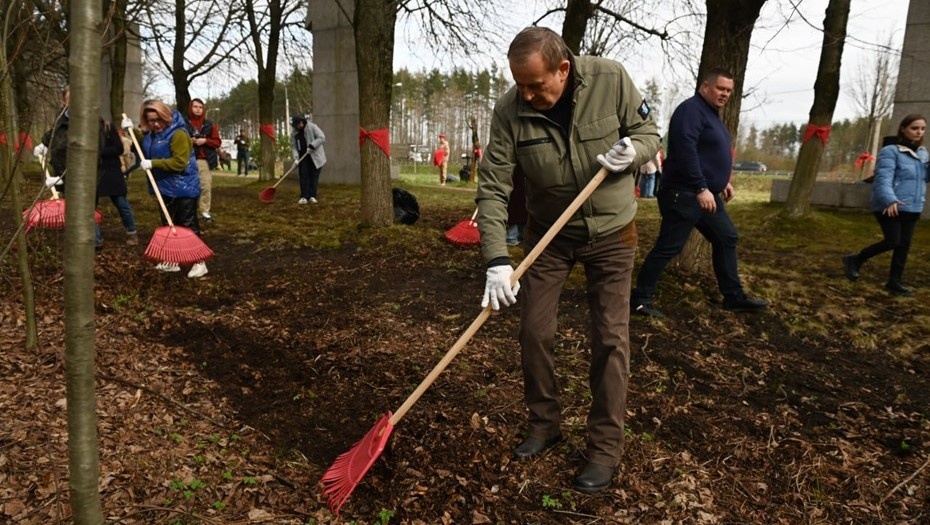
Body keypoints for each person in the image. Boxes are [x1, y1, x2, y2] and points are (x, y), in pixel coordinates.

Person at [475, 27, 660, 494]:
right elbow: (494, 186)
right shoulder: (509, 110)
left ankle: (604, 448)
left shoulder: (610, 79)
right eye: (521, 84)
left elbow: (648, 132)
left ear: (563, 68)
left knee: (610, 338)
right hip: (548, 238)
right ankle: (544, 425)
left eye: (537, 85)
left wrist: (632, 152)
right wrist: (497, 258)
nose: (528, 94)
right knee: (534, 330)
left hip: (613, 233)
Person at [629, 67, 768, 318]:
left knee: (726, 237)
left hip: (704, 194)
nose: (725, 94)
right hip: (684, 194)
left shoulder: (712, 115)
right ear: (705, 87)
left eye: (729, 91)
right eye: (720, 89)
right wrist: (701, 187)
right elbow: (685, 151)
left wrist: (721, 182)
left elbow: (708, 153)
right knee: (668, 247)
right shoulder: (691, 110)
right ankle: (640, 299)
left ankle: (734, 297)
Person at [842, 114, 928, 295]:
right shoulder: (891, 151)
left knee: (903, 245)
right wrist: (890, 199)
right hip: (889, 204)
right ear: (903, 129)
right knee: (892, 241)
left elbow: (925, 178)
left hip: (912, 205)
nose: (919, 132)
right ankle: (856, 259)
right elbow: (883, 179)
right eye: (914, 128)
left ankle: (894, 281)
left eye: (922, 129)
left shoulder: (922, 153)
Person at [124, 100, 207, 278]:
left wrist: (153, 163)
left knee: (187, 224)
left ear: (165, 116)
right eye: (151, 120)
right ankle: (173, 260)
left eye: (158, 119)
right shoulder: (152, 134)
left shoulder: (179, 134)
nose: (155, 124)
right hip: (163, 186)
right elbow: (144, 146)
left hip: (183, 186)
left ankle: (199, 261)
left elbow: (179, 162)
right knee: (169, 223)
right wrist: (131, 131)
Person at [95, 118, 139, 247]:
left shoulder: (108, 127)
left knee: (122, 204)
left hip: (111, 172)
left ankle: (132, 233)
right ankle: (95, 238)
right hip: (92, 172)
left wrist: (97, 153)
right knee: (91, 208)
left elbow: (119, 149)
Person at [185, 98, 221, 222]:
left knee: (205, 186)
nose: (198, 109)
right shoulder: (184, 124)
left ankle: (205, 211)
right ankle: (189, 211)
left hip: (203, 160)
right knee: (189, 187)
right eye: (195, 107)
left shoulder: (209, 124)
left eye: (200, 107)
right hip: (187, 159)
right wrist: (190, 141)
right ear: (191, 107)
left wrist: (205, 141)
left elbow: (217, 142)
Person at [290, 114, 327, 204]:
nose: (296, 127)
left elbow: (322, 137)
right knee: (303, 175)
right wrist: (295, 158)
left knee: (313, 176)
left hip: (315, 156)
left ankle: (312, 196)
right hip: (303, 157)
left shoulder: (312, 127)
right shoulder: (294, 133)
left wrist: (312, 145)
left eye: (297, 124)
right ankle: (304, 196)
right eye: (295, 125)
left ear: (301, 122)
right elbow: (294, 146)